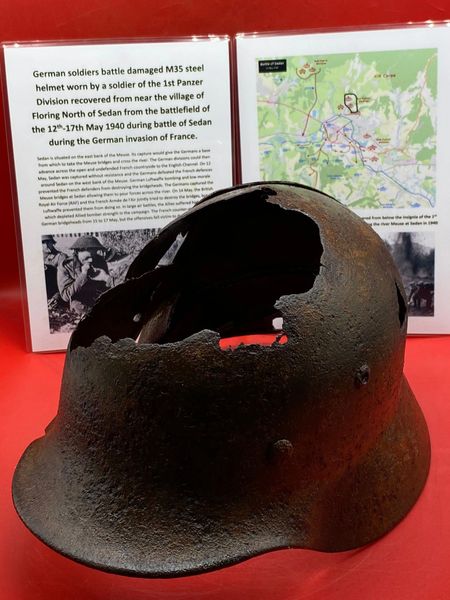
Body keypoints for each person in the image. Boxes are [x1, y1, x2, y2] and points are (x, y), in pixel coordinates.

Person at [57, 235, 114, 315]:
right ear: (77, 252)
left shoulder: (99, 260)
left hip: (96, 297)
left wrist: (104, 278)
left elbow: (106, 288)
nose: (91, 260)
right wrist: (83, 275)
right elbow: (65, 296)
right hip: (80, 302)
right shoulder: (66, 267)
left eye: (93, 256)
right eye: (87, 257)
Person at [42, 234, 66, 306]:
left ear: (52, 242)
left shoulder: (61, 257)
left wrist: (57, 296)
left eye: (48, 242)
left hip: (55, 291)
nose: (46, 245)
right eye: (43, 242)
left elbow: (65, 280)